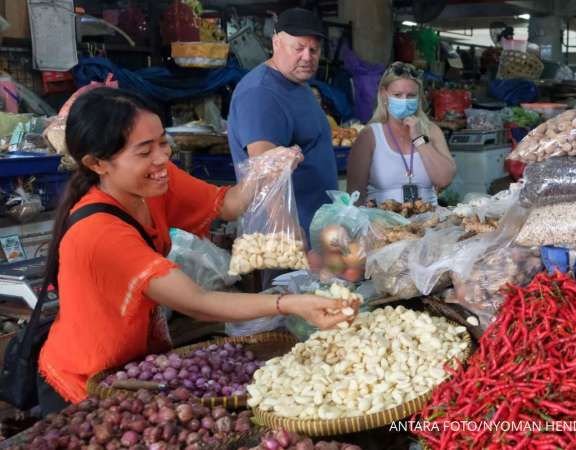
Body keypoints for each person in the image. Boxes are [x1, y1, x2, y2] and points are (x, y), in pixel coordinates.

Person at [37, 88, 356, 413]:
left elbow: (229, 205)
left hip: (136, 371)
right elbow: (198, 302)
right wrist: (290, 303)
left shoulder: (154, 182)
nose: (162, 158)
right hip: (85, 384)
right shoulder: (100, 233)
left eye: (162, 142)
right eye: (144, 151)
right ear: (98, 163)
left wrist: (265, 168)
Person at [227, 7, 337, 240]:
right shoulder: (261, 93)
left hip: (314, 231)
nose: (307, 57)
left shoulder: (297, 82)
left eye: (314, 50)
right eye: (298, 48)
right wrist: (288, 235)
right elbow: (267, 174)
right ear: (276, 43)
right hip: (286, 237)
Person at [346, 61, 456, 205]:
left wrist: (419, 139)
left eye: (411, 95)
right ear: (384, 94)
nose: (404, 100)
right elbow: (354, 195)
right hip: (383, 221)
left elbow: (444, 179)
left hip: (428, 220)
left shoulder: (432, 131)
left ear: (419, 97)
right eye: (397, 95)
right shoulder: (370, 135)